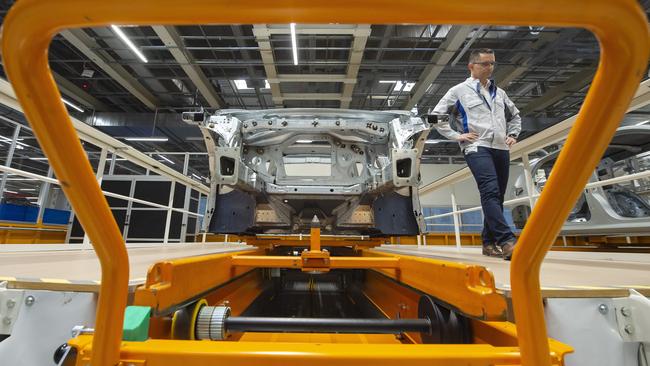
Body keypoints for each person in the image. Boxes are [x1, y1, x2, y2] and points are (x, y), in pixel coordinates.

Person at [430, 48, 521, 260]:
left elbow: (515, 116)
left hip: (500, 147)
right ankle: (507, 241)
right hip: (476, 147)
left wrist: (513, 134)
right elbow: (435, 117)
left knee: (497, 197)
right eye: (485, 63)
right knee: (489, 191)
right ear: (472, 66)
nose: (490, 67)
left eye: (492, 63)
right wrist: (456, 136)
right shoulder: (459, 91)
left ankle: (488, 244)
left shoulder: (500, 93)